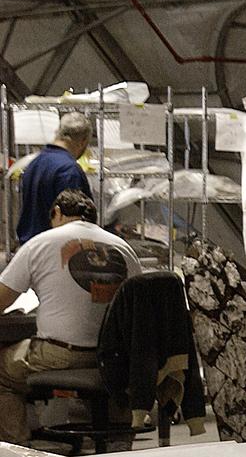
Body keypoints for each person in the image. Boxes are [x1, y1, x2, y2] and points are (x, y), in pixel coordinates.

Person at [0, 189, 141, 443]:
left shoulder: (40, 243)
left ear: (56, 213)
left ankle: (19, 453)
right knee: (112, 383)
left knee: (2, 371)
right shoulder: (123, 248)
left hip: (60, 354)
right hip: (113, 357)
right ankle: (117, 447)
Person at [16, 112, 94, 245]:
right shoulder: (69, 170)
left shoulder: (35, 163)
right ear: (82, 142)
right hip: (55, 251)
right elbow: (73, 223)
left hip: (31, 247)